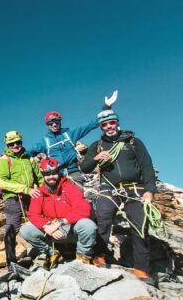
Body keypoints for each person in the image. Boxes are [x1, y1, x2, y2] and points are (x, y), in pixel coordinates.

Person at [80, 109, 157, 285]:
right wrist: (96, 158)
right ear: (101, 126)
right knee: (103, 217)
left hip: (135, 188)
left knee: (140, 226)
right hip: (109, 188)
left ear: (117, 122)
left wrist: (150, 190)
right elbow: (85, 167)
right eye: (104, 124)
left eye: (111, 122)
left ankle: (142, 270)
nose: (109, 126)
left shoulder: (133, 142)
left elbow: (147, 166)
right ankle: (99, 256)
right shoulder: (97, 145)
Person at [27, 91, 118, 187]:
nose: (54, 125)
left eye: (57, 122)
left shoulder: (69, 134)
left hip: (74, 173)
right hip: (56, 174)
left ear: (60, 122)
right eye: (51, 123)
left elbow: (90, 125)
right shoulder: (45, 141)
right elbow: (30, 151)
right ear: (47, 125)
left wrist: (106, 107)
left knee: (78, 197)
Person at [20, 157, 97, 267]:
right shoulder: (40, 193)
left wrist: (60, 222)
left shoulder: (69, 187)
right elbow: (33, 214)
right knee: (25, 230)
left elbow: (84, 209)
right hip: (51, 230)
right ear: (43, 175)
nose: (51, 177)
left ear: (59, 172)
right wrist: (47, 227)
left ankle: (83, 257)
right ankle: (51, 253)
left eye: (54, 173)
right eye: (47, 174)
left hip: (70, 228)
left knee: (88, 225)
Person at [0, 131, 43, 267]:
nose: (15, 145)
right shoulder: (4, 160)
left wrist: (45, 191)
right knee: (12, 229)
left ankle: (44, 252)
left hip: (30, 195)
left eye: (18, 142)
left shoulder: (29, 158)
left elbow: (39, 177)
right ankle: (11, 262)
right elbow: (1, 182)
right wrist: (25, 189)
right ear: (7, 145)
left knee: (40, 221)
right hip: (13, 198)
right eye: (11, 143)